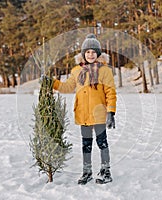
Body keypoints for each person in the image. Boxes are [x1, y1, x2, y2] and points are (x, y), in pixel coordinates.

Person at [52, 34, 117, 185]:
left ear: (98, 54)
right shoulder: (76, 71)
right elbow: (67, 87)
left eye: (93, 52)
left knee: (102, 143)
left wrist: (111, 112)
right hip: (83, 114)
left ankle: (106, 171)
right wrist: (52, 83)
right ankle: (87, 172)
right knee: (86, 144)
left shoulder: (104, 71)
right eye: (87, 52)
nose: (90, 55)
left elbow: (110, 92)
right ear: (83, 54)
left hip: (99, 114)